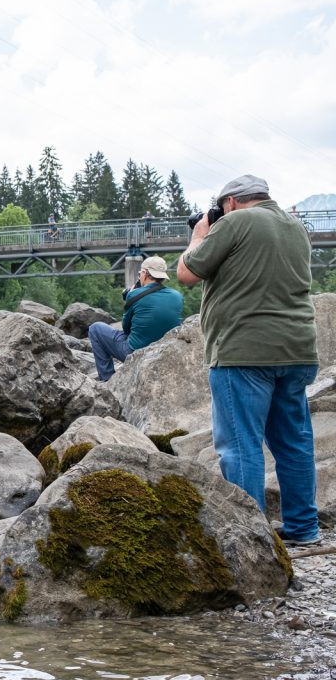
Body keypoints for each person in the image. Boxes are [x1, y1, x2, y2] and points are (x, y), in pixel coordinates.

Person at [177, 174, 320, 547]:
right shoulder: (296, 227)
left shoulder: (237, 221)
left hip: (243, 352)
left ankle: (252, 538)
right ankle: (304, 529)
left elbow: (187, 272)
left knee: (241, 444)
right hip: (297, 350)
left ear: (230, 203)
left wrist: (199, 235)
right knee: (294, 441)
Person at [87, 256, 183, 381]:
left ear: (144, 274)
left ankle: (107, 379)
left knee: (95, 329)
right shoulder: (177, 296)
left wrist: (130, 297)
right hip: (164, 352)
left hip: (135, 353)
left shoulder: (134, 294)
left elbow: (126, 329)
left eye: (139, 273)